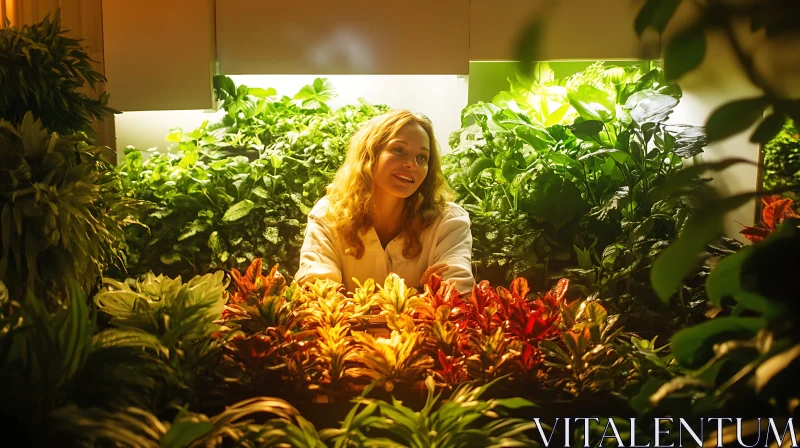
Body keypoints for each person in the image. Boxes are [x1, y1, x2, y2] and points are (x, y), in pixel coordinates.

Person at [294, 109, 474, 294]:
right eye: (399, 150)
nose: (412, 164)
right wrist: (422, 295)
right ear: (369, 156)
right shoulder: (327, 215)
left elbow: (456, 296)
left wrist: (350, 303)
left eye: (422, 157)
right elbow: (317, 295)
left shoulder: (448, 221)